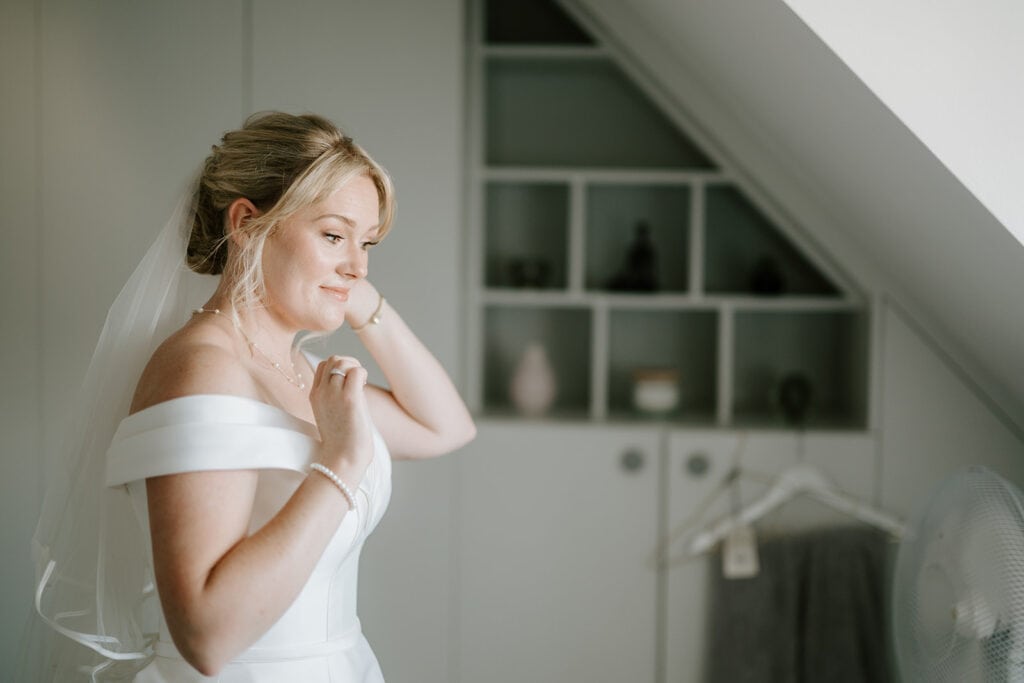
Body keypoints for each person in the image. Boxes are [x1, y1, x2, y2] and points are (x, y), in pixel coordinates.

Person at [25, 112, 476, 681]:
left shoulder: (302, 369)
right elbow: (207, 637)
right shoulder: (202, 370)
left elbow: (447, 428)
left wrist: (359, 299)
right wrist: (339, 464)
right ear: (245, 223)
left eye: (367, 244)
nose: (358, 265)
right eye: (334, 235)